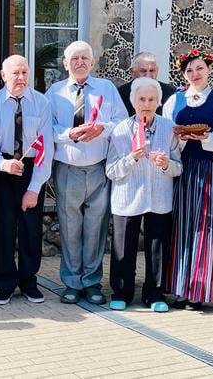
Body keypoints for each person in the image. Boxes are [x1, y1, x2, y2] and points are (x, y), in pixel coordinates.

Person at [45, 41, 127, 305]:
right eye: (74, 58)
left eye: (85, 58)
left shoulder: (107, 89)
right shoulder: (54, 92)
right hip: (68, 168)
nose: (80, 62)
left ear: (92, 63)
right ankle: (71, 283)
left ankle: (91, 282)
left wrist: (102, 127)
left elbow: (123, 122)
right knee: (70, 228)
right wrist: (68, 133)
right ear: (65, 63)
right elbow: (46, 129)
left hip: (98, 168)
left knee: (95, 228)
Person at [161, 48, 213, 310]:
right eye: (189, 70)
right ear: (183, 74)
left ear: (209, 69)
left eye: (199, 68)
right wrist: (180, 138)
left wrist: (207, 139)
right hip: (182, 167)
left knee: (206, 226)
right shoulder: (174, 100)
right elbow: (167, 135)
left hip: (208, 169)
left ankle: (199, 290)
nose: (195, 73)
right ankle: (180, 288)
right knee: (182, 225)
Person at [0, 55, 53, 305]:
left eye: (25, 72)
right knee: (4, 229)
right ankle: (4, 283)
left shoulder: (42, 104)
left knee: (31, 230)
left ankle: (29, 282)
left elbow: (47, 150)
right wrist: (3, 165)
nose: (21, 78)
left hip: (32, 169)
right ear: (4, 76)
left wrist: (34, 189)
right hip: (4, 172)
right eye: (16, 73)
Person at [106, 77, 181, 312]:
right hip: (127, 198)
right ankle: (121, 291)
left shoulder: (169, 128)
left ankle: (154, 293)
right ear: (133, 101)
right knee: (124, 247)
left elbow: (179, 167)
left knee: (157, 247)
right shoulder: (120, 131)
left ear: (159, 102)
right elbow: (110, 170)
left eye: (151, 99)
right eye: (141, 99)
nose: (146, 104)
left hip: (158, 198)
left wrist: (167, 164)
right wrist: (131, 158)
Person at [118, 51, 177, 116]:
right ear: (132, 72)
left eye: (152, 71)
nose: (148, 75)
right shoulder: (120, 94)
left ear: (157, 71)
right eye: (143, 71)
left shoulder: (170, 92)